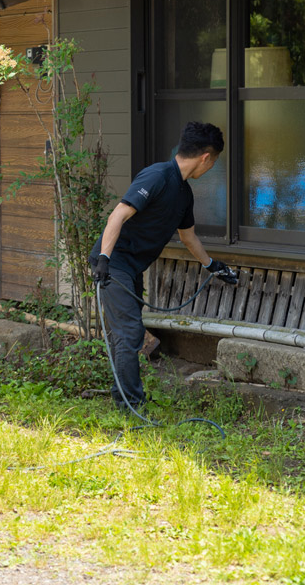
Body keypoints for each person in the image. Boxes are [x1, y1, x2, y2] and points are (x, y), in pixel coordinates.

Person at [88, 121, 236, 410]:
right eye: (214, 161)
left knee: (126, 333)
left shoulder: (184, 194)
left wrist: (212, 266)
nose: (212, 167)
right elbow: (118, 215)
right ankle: (131, 405)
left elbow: (188, 237)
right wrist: (104, 259)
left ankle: (123, 396)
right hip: (113, 263)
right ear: (206, 157)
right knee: (129, 332)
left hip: (132, 268)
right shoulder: (157, 176)